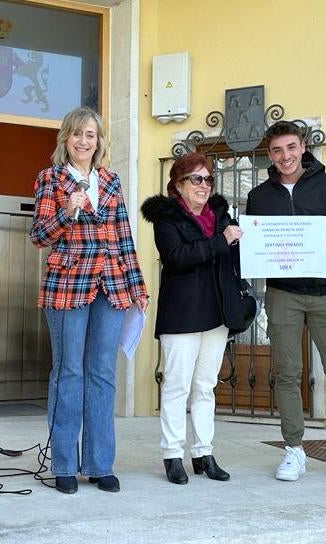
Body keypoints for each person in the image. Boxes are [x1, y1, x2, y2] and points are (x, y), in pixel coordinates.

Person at [245, 121, 326, 484]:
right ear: (269, 154)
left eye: (290, 147)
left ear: (303, 146)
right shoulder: (259, 195)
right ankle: (294, 450)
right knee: (287, 373)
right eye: (276, 150)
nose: (285, 156)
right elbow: (258, 244)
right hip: (283, 294)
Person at [29, 106, 148, 494]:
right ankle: (63, 464)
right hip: (67, 287)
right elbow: (39, 235)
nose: (84, 141)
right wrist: (67, 212)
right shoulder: (51, 178)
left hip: (111, 286)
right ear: (66, 139)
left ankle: (99, 464)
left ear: (99, 142)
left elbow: (125, 238)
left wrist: (138, 287)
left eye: (91, 135)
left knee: (102, 374)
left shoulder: (111, 181)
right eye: (77, 134)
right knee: (69, 373)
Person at [141, 153, 243, 485]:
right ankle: (173, 454)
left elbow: (233, 259)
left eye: (208, 179)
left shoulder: (221, 217)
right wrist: (222, 241)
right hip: (182, 315)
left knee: (205, 388)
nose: (203, 186)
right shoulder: (166, 219)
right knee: (176, 387)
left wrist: (244, 243)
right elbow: (178, 258)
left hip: (217, 313)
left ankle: (203, 453)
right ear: (178, 185)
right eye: (195, 179)